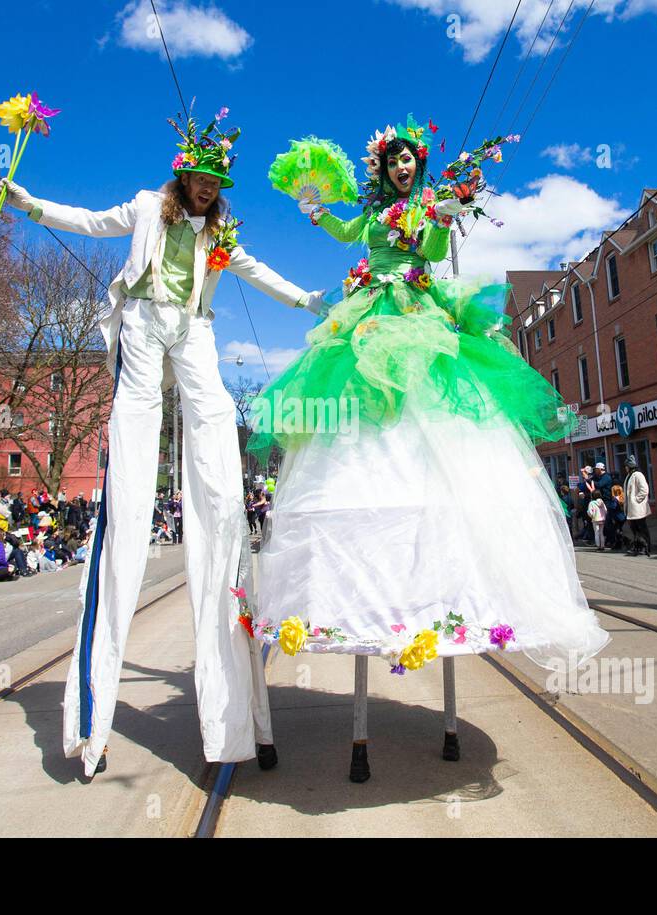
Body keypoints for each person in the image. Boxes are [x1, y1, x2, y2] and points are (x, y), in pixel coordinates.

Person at [0, 107, 319, 778]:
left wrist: (306, 300)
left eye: (214, 183)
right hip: (145, 321)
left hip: (193, 329)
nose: (206, 189)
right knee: (137, 425)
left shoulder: (221, 229)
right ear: (184, 176)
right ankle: (94, 721)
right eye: (199, 179)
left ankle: (235, 710)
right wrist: (30, 206)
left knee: (214, 420)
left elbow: (255, 270)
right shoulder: (147, 206)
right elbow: (90, 221)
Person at [249, 115, 608, 699]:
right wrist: (313, 207)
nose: (401, 166)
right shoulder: (373, 215)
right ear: (383, 169)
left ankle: (446, 589)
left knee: (432, 418)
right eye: (393, 161)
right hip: (369, 313)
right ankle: (363, 592)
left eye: (409, 158)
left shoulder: (425, 211)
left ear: (418, 162)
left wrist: (443, 216)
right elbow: (346, 235)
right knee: (364, 420)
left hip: (418, 314)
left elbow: (437, 249)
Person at [623, 455, 652, 556]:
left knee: (642, 528)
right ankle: (638, 546)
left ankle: (646, 547)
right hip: (631, 508)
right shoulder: (629, 476)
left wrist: (636, 500)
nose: (625, 468)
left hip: (637, 508)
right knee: (635, 529)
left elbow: (644, 489)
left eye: (626, 466)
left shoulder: (638, 475)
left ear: (630, 466)